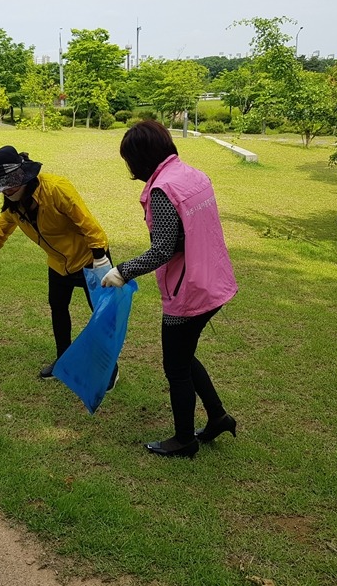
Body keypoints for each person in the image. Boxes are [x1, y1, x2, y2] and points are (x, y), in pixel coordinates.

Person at [102, 120, 238, 458]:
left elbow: (163, 248)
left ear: (141, 157)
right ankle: (218, 416)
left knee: (175, 366)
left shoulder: (163, 189)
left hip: (189, 290)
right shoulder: (191, 174)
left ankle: (184, 439)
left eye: (128, 159)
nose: (128, 167)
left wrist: (123, 271)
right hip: (213, 280)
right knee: (184, 355)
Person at [0, 145, 117, 386]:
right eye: (2, 185)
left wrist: (100, 257)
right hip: (59, 264)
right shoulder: (14, 204)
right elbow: (0, 230)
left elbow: (87, 223)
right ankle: (63, 360)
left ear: (23, 175)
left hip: (90, 259)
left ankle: (110, 368)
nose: (7, 190)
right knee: (58, 308)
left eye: (10, 183)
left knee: (101, 315)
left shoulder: (56, 188)